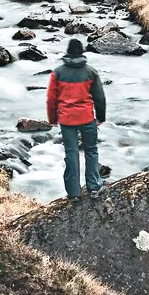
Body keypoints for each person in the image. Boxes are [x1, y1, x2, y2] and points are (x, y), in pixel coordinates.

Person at [46, 38, 107, 200]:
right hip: (87, 118)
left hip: (67, 120)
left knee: (71, 154)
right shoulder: (91, 72)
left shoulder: (57, 73)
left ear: (67, 53)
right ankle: (94, 187)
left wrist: (52, 118)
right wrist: (100, 117)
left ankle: (74, 193)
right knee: (91, 151)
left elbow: (51, 99)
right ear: (82, 52)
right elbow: (99, 97)